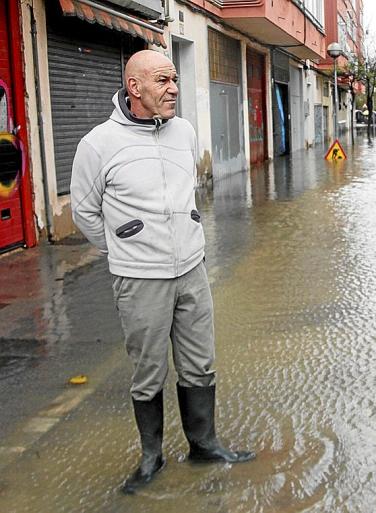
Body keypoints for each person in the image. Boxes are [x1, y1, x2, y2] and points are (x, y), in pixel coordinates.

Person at [70, 50, 255, 495]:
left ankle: (204, 444)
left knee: (199, 362)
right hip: (140, 279)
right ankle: (151, 457)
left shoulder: (185, 133)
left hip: (192, 269)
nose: (174, 88)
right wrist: (127, 248)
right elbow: (84, 212)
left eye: (175, 79)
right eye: (162, 81)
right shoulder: (98, 144)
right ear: (135, 88)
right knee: (148, 369)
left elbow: (187, 193)